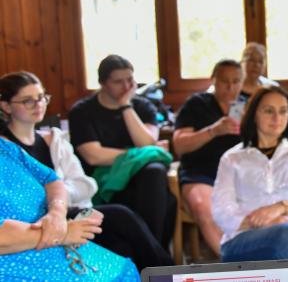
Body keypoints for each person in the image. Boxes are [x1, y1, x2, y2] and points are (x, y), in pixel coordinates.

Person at [0, 71, 172, 270]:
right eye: (28, 101)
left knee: (124, 238)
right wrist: (49, 197)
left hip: (66, 209)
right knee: (121, 217)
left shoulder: (55, 140)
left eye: (41, 97)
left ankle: (162, 271)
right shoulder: (6, 149)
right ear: (6, 106)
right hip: (33, 221)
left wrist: (57, 199)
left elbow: (85, 184)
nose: (38, 105)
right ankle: (166, 272)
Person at [68, 55, 174, 249]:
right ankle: (154, 255)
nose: (127, 87)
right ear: (102, 83)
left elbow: (147, 143)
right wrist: (136, 154)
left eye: (130, 80)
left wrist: (126, 106)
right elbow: (94, 156)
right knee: (161, 197)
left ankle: (151, 256)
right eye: (118, 81)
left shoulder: (143, 106)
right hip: (104, 184)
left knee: (156, 174)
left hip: (142, 180)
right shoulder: (82, 111)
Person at [212, 86, 288, 262]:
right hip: (247, 238)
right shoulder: (232, 158)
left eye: (283, 111)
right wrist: (265, 223)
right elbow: (222, 211)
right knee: (287, 234)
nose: (277, 118)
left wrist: (281, 207)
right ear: (254, 115)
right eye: (269, 111)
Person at [0, 135, 139, 280]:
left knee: (124, 268)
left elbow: (51, 179)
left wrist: (57, 213)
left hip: (53, 237)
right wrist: (61, 234)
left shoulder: (5, 147)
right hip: (17, 256)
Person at [172, 59, 245, 256]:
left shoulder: (248, 105)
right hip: (201, 173)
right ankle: (236, 266)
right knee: (204, 207)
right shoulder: (197, 104)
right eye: (224, 81)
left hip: (241, 175)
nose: (231, 87)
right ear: (213, 80)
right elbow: (179, 144)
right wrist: (213, 131)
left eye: (236, 81)